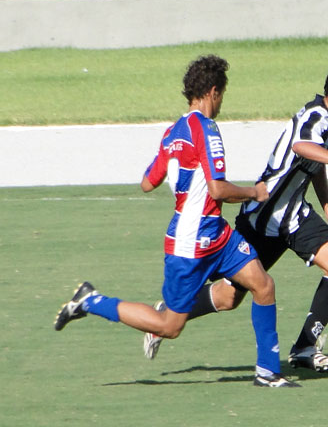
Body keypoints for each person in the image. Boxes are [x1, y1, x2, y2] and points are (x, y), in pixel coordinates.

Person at [54, 54, 299, 388]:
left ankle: (268, 372)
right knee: (169, 326)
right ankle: (90, 301)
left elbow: (146, 182)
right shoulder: (206, 128)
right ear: (213, 91)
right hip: (190, 243)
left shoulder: (173, 132)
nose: (222, 101)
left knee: (261, 285)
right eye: (222, 94)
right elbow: (217, 188)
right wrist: (253, 193)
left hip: (217, 235)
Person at [147, 58, 328, 373]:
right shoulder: (316, 115)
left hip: (292, 215)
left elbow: (314, 163)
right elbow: (302, 146)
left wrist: (327, 208)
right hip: (264, 214)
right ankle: (167, 313)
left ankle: (305, 348)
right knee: (229, 297)